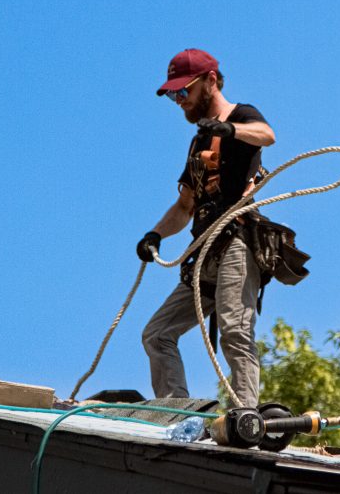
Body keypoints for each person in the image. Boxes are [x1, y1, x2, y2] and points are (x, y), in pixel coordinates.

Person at [136, 48, 275, 408]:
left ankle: (245, 417)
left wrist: (230, 130)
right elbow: (185, 206)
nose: (179, 101)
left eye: (184, 92)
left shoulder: (241, 116)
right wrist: (155, 235)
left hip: (236, 243)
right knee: (157, 334)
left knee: (234, 331)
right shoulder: (199, 141)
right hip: (204, 253)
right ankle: (176, 411)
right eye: (173, 95)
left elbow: (267, 134)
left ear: (211, 81)